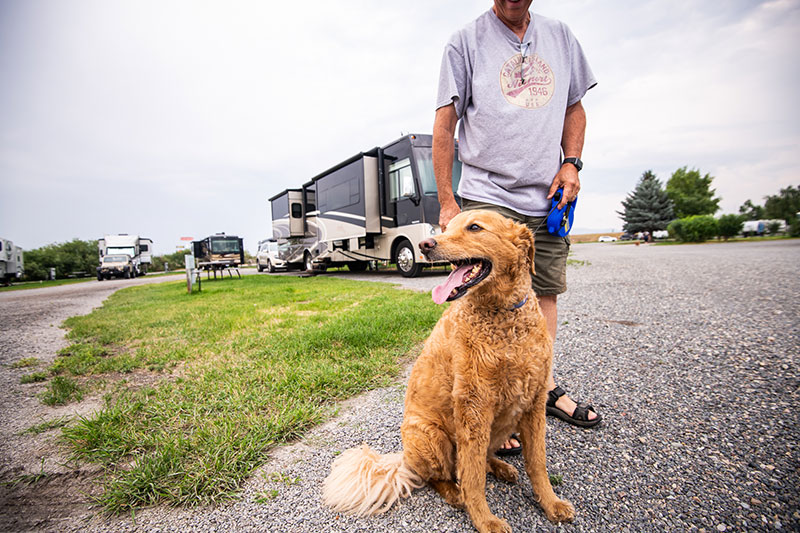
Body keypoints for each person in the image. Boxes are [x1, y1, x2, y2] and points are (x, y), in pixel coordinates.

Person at [432, 0, 601, 455]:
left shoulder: (560, 36)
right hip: (488, 193)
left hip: (547, 193)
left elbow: (575, 108)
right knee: (485, 297)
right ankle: (492, 400)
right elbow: (445, 126)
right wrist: (448, 201)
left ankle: (537, 390)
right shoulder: (465, 42)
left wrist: (571, 163)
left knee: (543, 292)